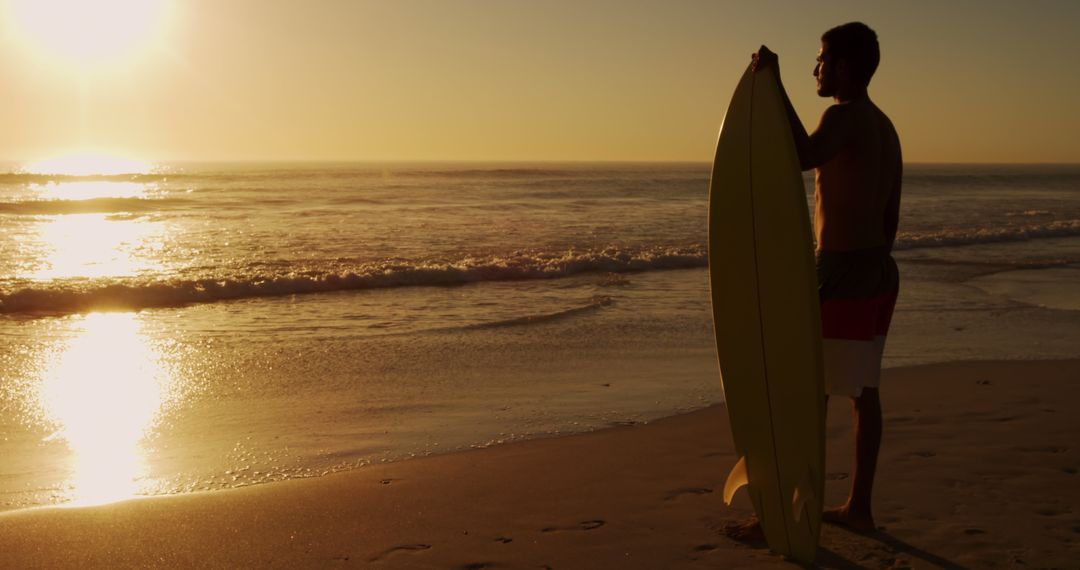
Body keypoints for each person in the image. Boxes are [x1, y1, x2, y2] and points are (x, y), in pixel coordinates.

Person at [729, 22, 902, 539]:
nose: (816, 68)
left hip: (843, 272)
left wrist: (774, 83)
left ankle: (782, 515)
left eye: (822, 59)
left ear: (843, 67)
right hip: (879, 271)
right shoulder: (885, 126)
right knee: (863, 392)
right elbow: (891, 213)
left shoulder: (843, 117)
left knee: (803, 396)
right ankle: (859, 508)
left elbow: (802, 155)